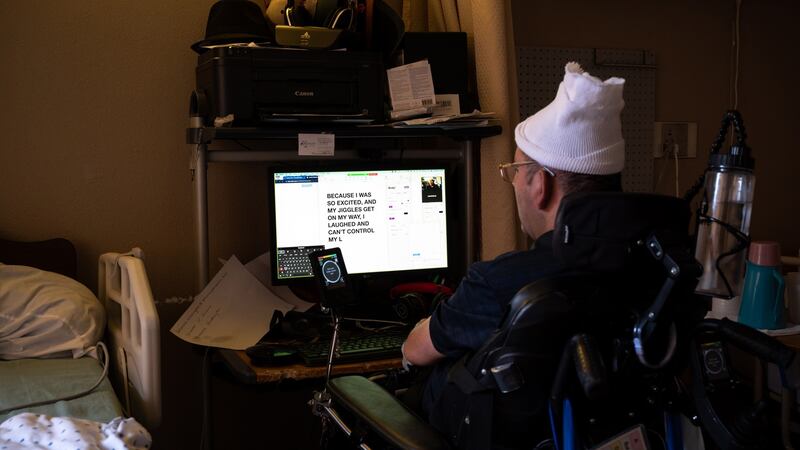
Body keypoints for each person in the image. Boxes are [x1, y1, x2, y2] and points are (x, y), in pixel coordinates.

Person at [400, 62, 627, 438]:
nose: (515, 183)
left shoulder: (500, 282)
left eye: (516, 171)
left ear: (541, 185)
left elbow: (417, 351)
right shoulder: (653, 266)